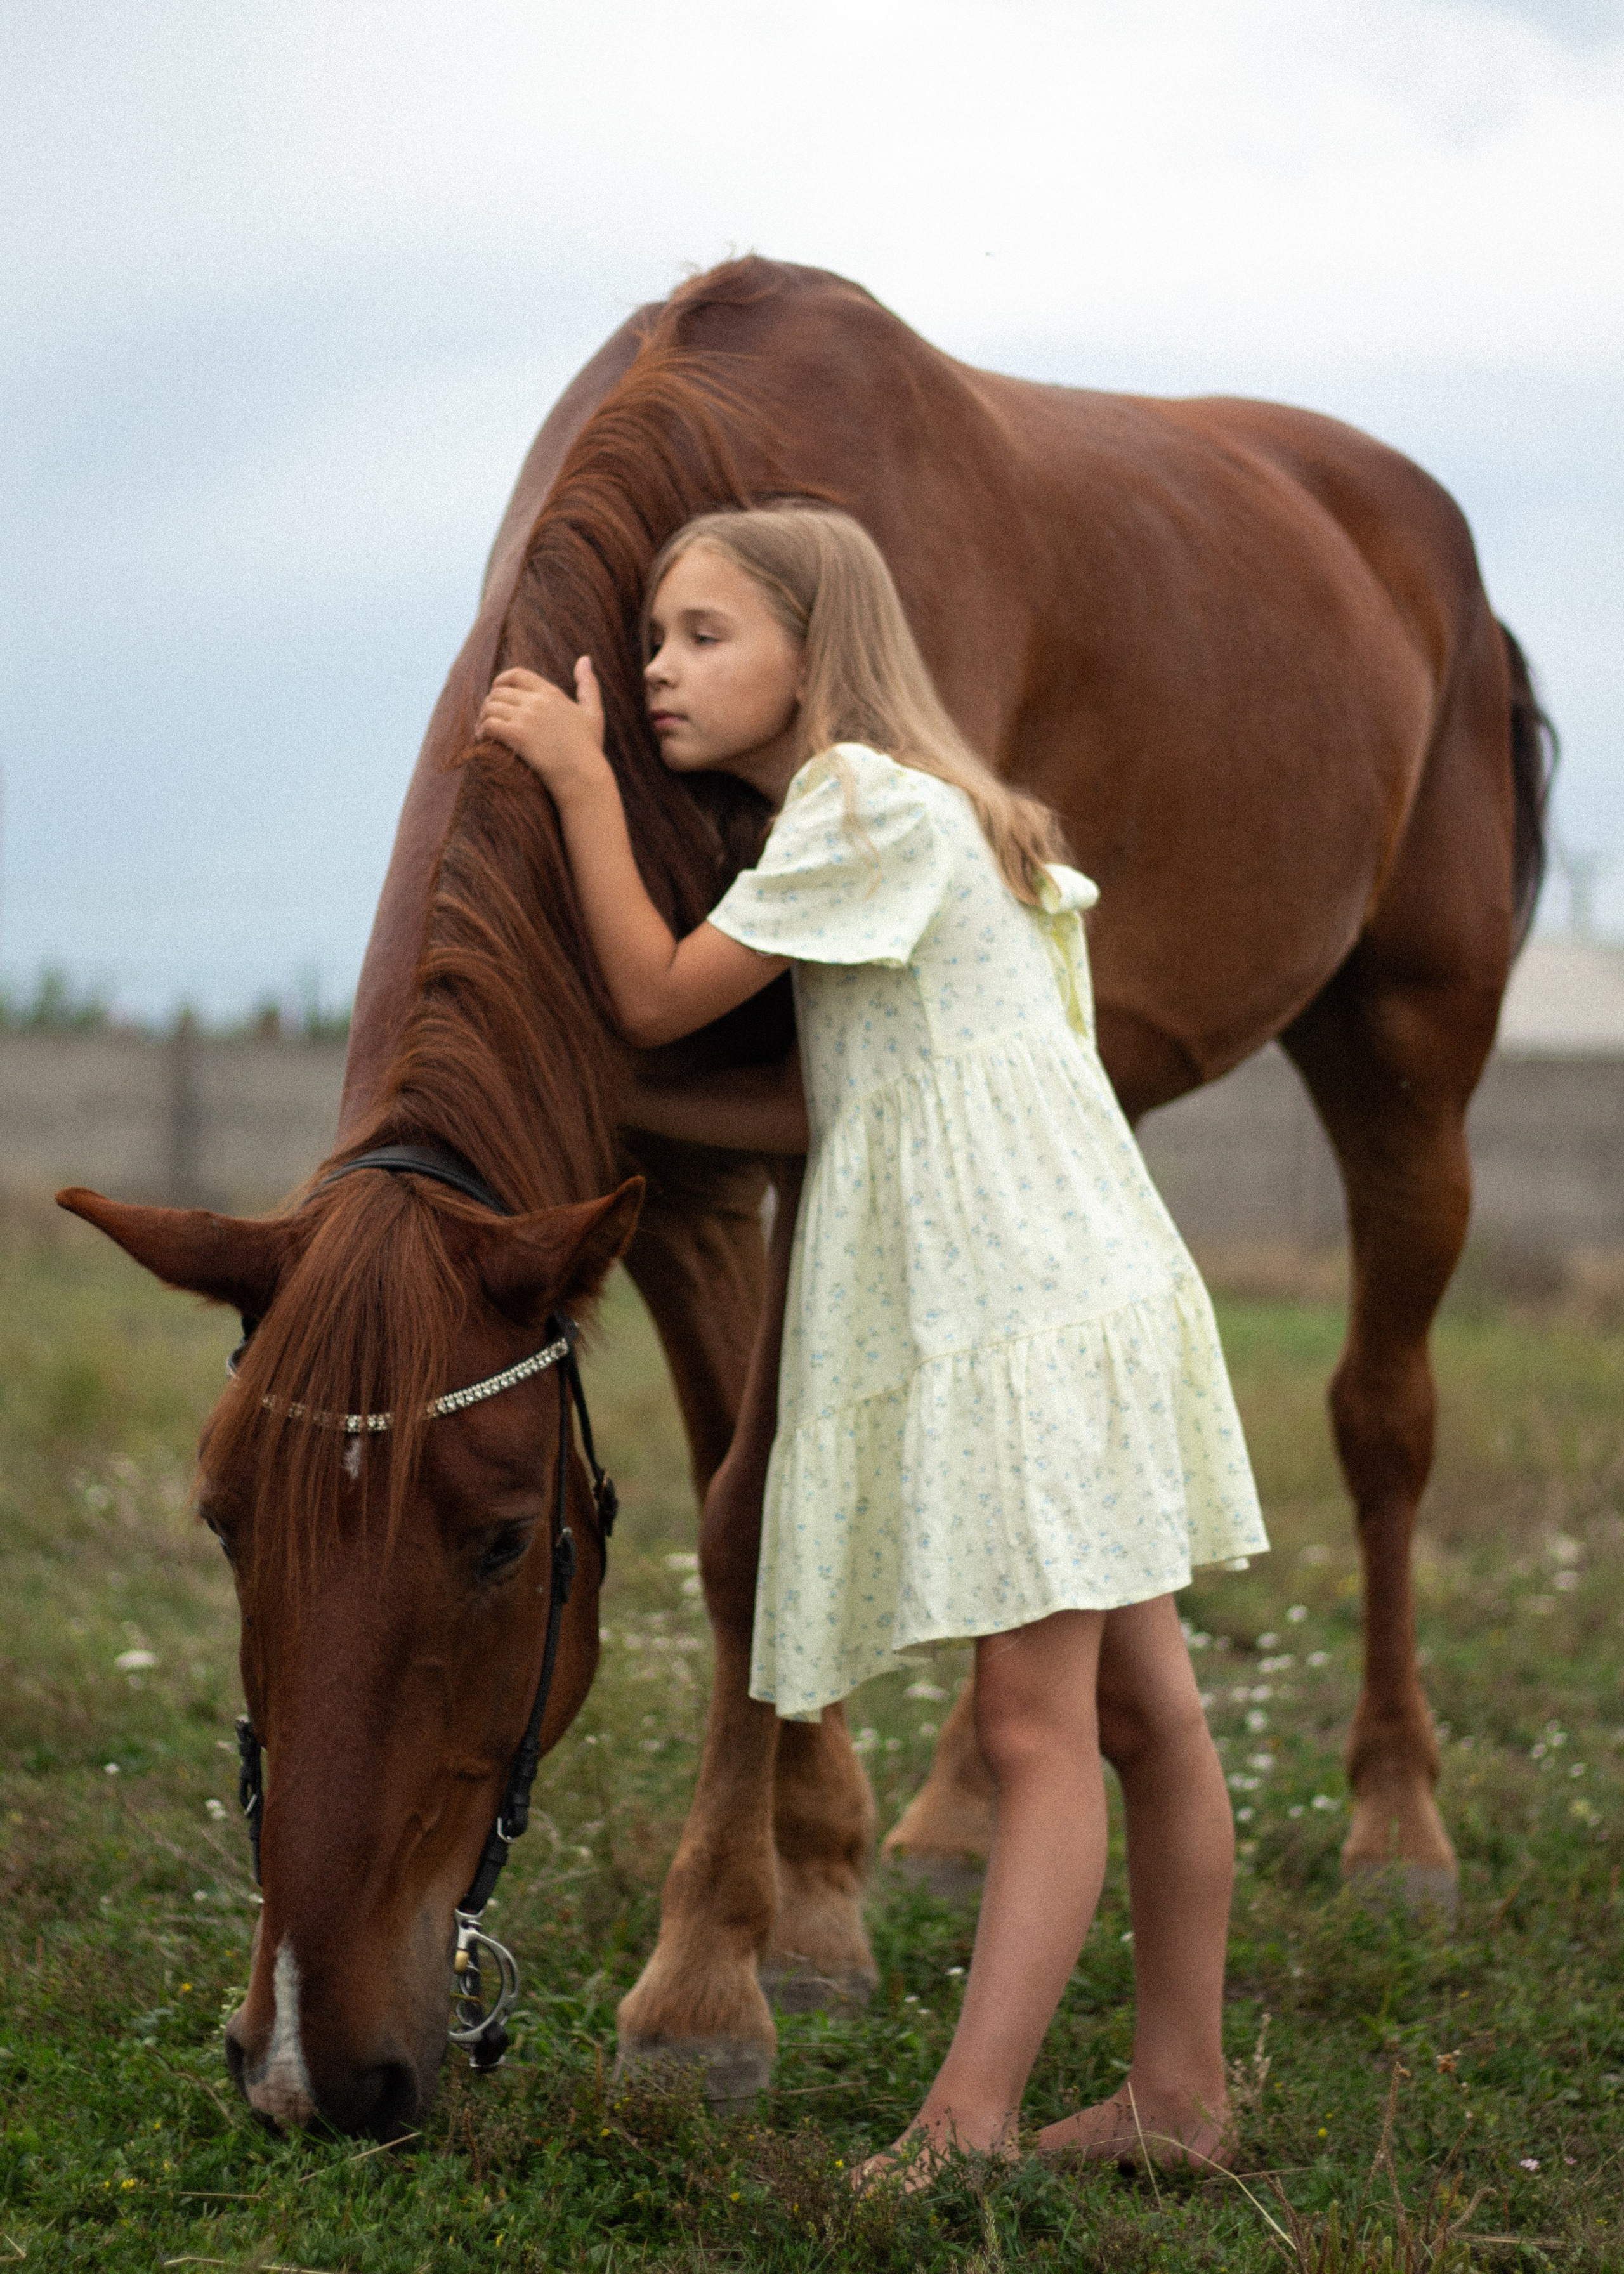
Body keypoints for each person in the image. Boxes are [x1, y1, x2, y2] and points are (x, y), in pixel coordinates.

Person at [476, 504, 1267, 2185]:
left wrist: (580, 778)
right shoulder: (930, 816)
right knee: (1149, 1720)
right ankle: (1180, 2096)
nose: (660, 670)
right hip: (1083, 1284)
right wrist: (612, 1111)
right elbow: (836, 1095)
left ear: (813, 651)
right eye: (656, 638)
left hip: (1016, 1310)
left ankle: (964, 2130)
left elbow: (652, 993)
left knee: (1037, 1732)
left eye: (705, 635)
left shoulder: (856, 804)